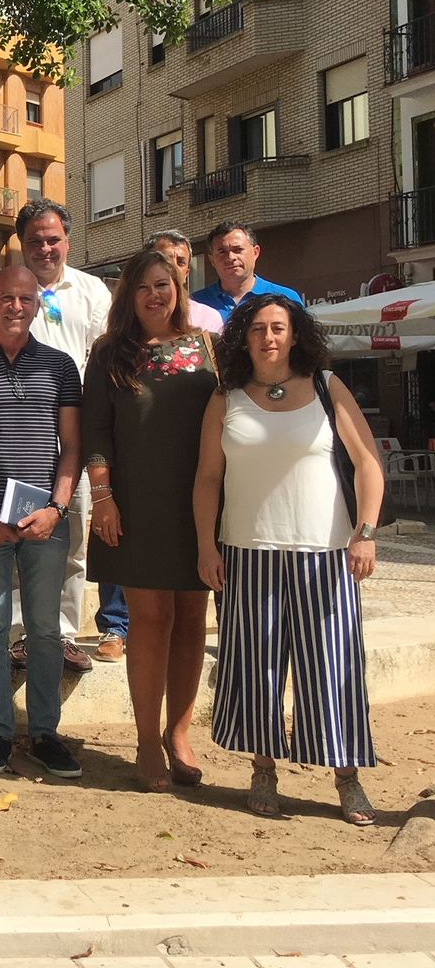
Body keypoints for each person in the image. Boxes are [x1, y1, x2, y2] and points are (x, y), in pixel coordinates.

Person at [193, 295, 383, 824]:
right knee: (257, 669)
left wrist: (365, 533)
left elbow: (368, 463)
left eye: (278, 327)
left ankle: (347, 777)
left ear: (296, 334)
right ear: (244, 337)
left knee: (333, 669)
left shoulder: (326, 386)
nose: (268, 337)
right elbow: (207, 478)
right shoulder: (226, 397)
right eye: (258, 329)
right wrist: (206, 545)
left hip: (326, 555)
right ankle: (263, 771)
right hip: (247, 552)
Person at [82, 249, 217, 792]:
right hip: (134, 503)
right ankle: (144, 740)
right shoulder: (109, 353)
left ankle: (178, 734)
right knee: (150, 619)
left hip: (198, 504)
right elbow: (96, 431)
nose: (154, 295)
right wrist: (103, 497)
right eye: (143, 287)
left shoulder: (208, 346)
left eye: (163, 284)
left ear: (178, 288)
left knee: (191, 618)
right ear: (129, 297)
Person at [0, 266, 83, 780]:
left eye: (26, 299)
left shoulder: (59, 365)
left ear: (37, 305)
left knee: (46, 629)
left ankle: (45, 734)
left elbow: (71, 446)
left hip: (46, 519)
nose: (16, 307)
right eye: (6, 298)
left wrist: (57, 509)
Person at [0, 201, 110, 674]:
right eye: (35, 240)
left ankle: (63, 634)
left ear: (67, 241)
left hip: (73, 431)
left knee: (70, 537)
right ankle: (20, 637)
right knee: (16, 534)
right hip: (17, 433)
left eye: (53, 239)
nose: (45, 248)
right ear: (21, 243)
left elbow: (103, 359)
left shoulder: (93, 292)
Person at [190, 221, 303, 323]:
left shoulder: (286, 298)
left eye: (238, 250)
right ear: (212, 260)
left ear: (255, 252)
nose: (230, 257)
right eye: (222, 252)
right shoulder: (195, 304)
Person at [147, 230, 224, 334]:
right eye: (165, 260)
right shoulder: (128, 315)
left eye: (181, 262)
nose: (174, 268)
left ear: (187, 273)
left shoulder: (207, 318)